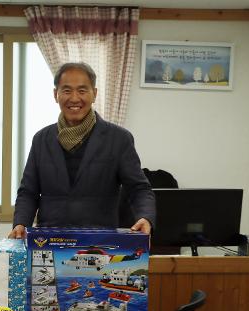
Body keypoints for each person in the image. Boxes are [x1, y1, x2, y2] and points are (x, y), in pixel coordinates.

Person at [9, 62, 155, 239]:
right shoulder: (41, 139)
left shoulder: (118, 139)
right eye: (67, 90)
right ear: (56, 94)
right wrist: (20, 223)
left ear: (94, 94)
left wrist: (145, 217)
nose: (74, 98)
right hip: (49, 240)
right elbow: (28, 192)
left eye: (82, 90)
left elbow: (139, 188)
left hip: (100, 241)